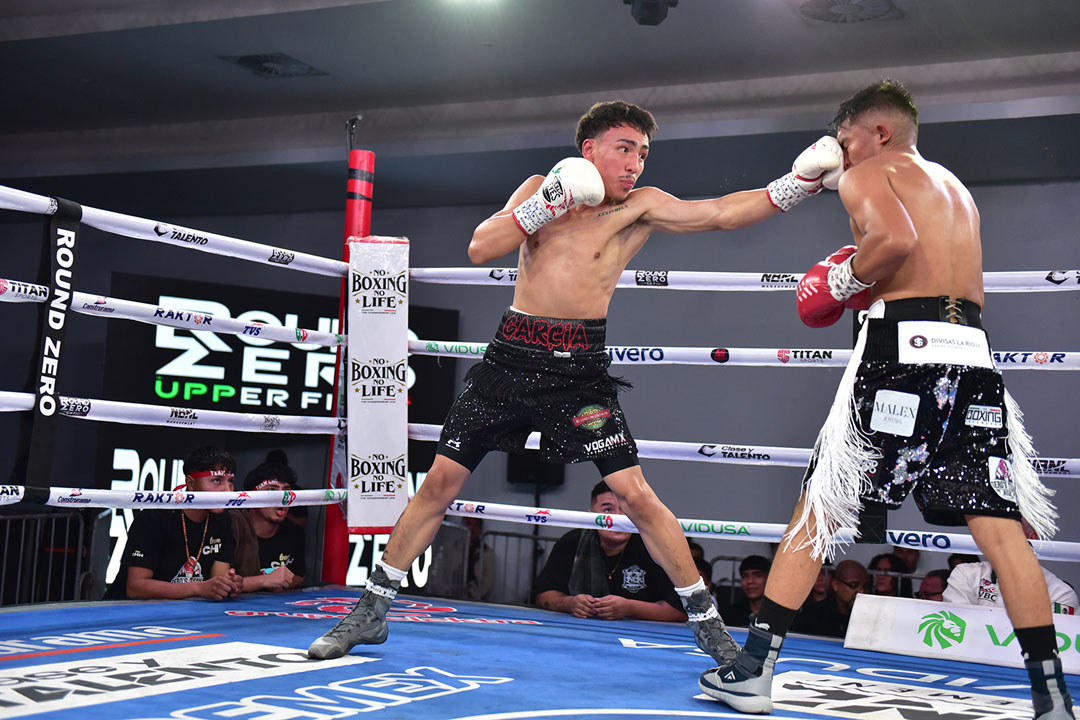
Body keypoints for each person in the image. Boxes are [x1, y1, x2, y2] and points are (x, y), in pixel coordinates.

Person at [307, 100, 844, 662]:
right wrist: (545, 205)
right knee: (440, 482)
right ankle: (370, 612)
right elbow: (480, 246)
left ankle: (709, 626)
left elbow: (719, 213)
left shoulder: (641, 207)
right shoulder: (542, 187)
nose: (635, 163)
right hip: (510, 358)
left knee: (634, 494)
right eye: (624, 148)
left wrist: (796, 185)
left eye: (642, 152)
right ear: (589, 149)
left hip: (578, 370)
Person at [699, 80, 1074, 719]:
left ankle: (753, 671)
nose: (841, 154)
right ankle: (1053, 698)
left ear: (877, 132)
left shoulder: (870, 173)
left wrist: (842, 281)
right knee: (1002, 532)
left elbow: (894, 244)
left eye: (845, 140)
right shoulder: (954, 188)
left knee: (819, 509)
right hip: (974, 361)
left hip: (903, 353)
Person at [104, 446, 243, 601]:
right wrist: (198, 587)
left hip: (182, 612)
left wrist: (227, 585)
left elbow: (217, 580)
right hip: (125, 611)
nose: (227, 490)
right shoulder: (155, 517)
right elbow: (136, 588)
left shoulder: (222, 518)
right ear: (190, 483)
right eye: (217, 480)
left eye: (231, 482)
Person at [533, 481, 685, 622]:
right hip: (582, 633)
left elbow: (680, 610)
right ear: (591, 516)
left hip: (642, 637)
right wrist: (570, 603)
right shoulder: (572, 542)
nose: (618, 518)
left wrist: (630, 608)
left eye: (625, 510)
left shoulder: (653, 547)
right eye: (607, 510)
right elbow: (544, 594)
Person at [238, 459, 306, 592]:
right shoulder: (232, 527)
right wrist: (264, 581)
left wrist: (279, 581)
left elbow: (299, 576)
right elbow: (220, 583)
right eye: (271, 491)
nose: (282, 497)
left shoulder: (295, 532)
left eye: (286, 491)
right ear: (252, 496)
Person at [789, 559, 869, 638]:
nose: (861, 592)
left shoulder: (870, 616)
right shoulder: (812, 616)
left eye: (865, 586)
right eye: (853, 585)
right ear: (835, 585)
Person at [719, 556, 771, 627]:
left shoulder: (782, 614)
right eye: (745, 576)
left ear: (769, 579)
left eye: (757, 575)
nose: (750, 581)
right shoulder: (730, 615)